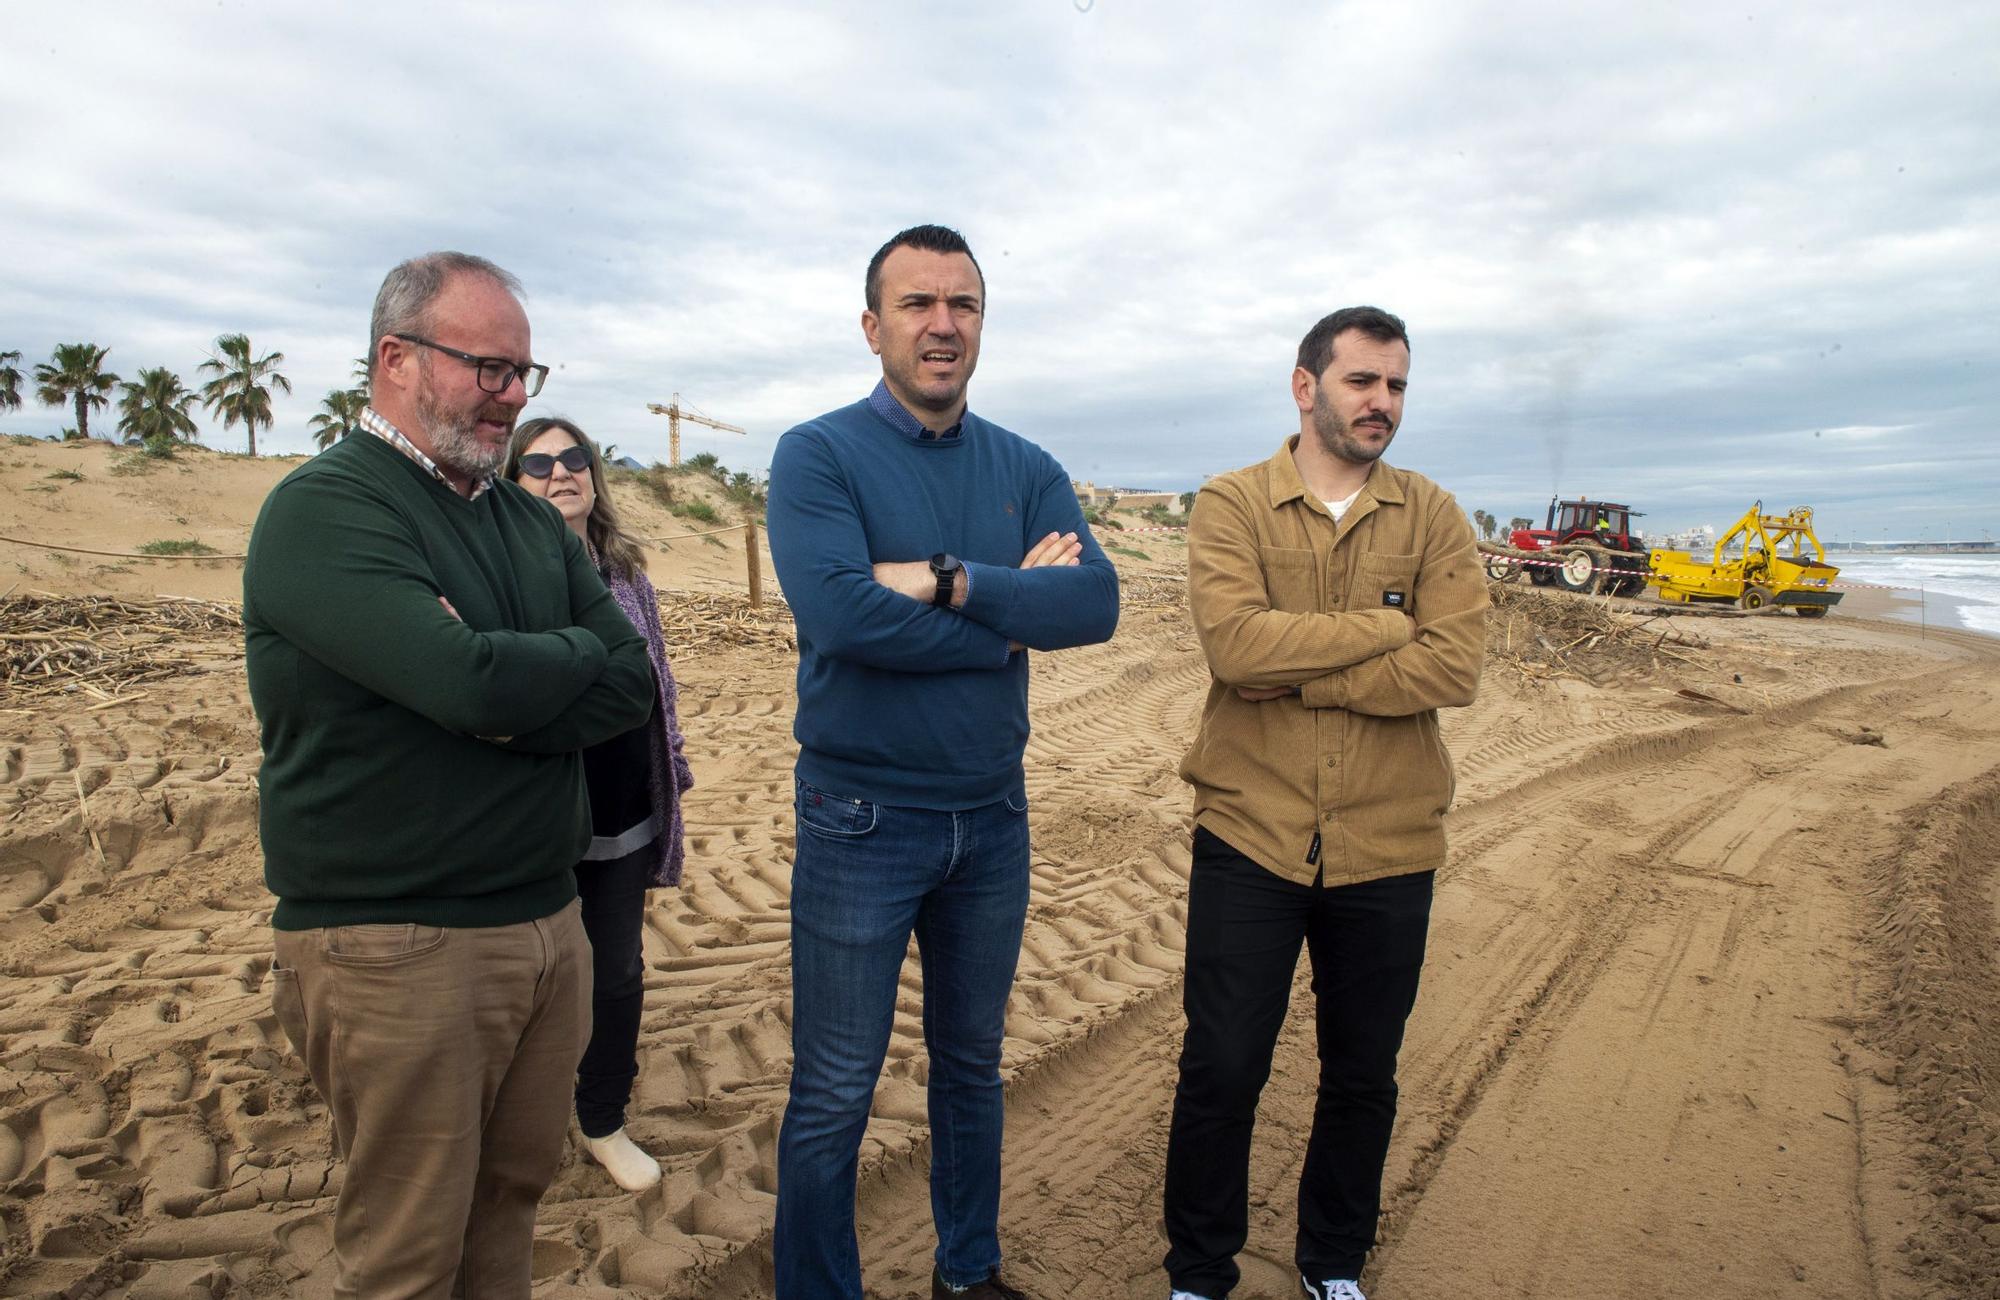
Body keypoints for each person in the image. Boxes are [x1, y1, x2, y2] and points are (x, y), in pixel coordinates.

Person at [244, 252, 656, 1299]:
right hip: (399, 943)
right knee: (408, 1253)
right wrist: (512, 672)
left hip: (546, 922)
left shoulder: (522, 517)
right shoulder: (325, 509)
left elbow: (627, 686)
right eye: (488, 366)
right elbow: (466, 682)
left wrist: (502, 673)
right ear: (395, 358)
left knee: (510, 1203)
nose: (512, 396)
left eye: (525, 371)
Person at [766, 223, 1120, 1300]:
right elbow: (840, 615)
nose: (942, 325)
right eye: (917, 304)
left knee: (971, 1067)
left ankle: (967, 1272)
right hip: (858, 818)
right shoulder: (816, 454)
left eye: (961, 304)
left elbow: (1095, 604)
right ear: (873, 327)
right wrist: (1013, 615)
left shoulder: (1025, 464)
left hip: (990, 818)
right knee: (833, 1088)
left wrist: (949, 579)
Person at [1164, 307, 1487, 1300]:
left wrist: (1307, 670)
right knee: (1221, 1064)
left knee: (1362, 1072)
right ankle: (1198, 1272)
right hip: (1248, 830)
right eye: (1360, 382)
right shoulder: (1231, 503)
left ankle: (1332, 1263)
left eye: (1393, 385)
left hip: (1389, 841)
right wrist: (1383, 630)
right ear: (1305, 387)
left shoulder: (1431, 514)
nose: (1379, 403)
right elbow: (1234, 648)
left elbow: (1457, 662)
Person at [504, 415, 695, 1193]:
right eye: (538, 462)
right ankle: (516, 1118)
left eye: (573, 458)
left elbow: (658, 682)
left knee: (615, 972)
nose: (560, 472)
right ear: (510, 482)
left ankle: (602, 1118)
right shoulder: (501, 572)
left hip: (622, 807)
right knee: (522, 973)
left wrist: (670, 764)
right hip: (533, 815)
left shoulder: (625, 569)